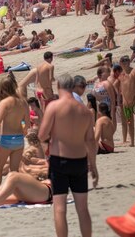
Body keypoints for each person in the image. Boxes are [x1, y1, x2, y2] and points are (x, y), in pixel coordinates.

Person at [38, 74, 98, 237]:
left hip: (60, 161)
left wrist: (53, 136)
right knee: (82, 209)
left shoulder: (54, 107)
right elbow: (91, 141)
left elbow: (42, 135)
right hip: (80, 161)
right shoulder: (85, 112)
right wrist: (93, 166)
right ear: (72, 87)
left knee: (59, 208)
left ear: (58, 86)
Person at [0, 76, 29, 190]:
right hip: (19, 139)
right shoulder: (23, 102)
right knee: (14, 172)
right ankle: (14, 194)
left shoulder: (5, 102)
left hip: (6, 140)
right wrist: (22, 131)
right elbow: (26, 124)